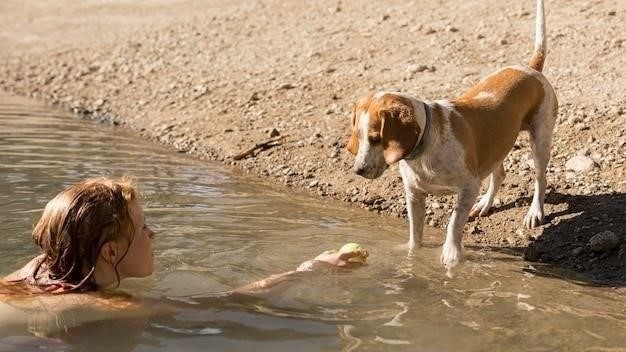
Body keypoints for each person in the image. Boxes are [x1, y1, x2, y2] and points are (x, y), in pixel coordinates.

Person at [1, 177, 368, 298]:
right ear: (110, 252)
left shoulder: (40, 267)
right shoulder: (97, 304)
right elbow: (223, 302)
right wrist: (309, 269)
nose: (152, 233)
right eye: (142, 228)